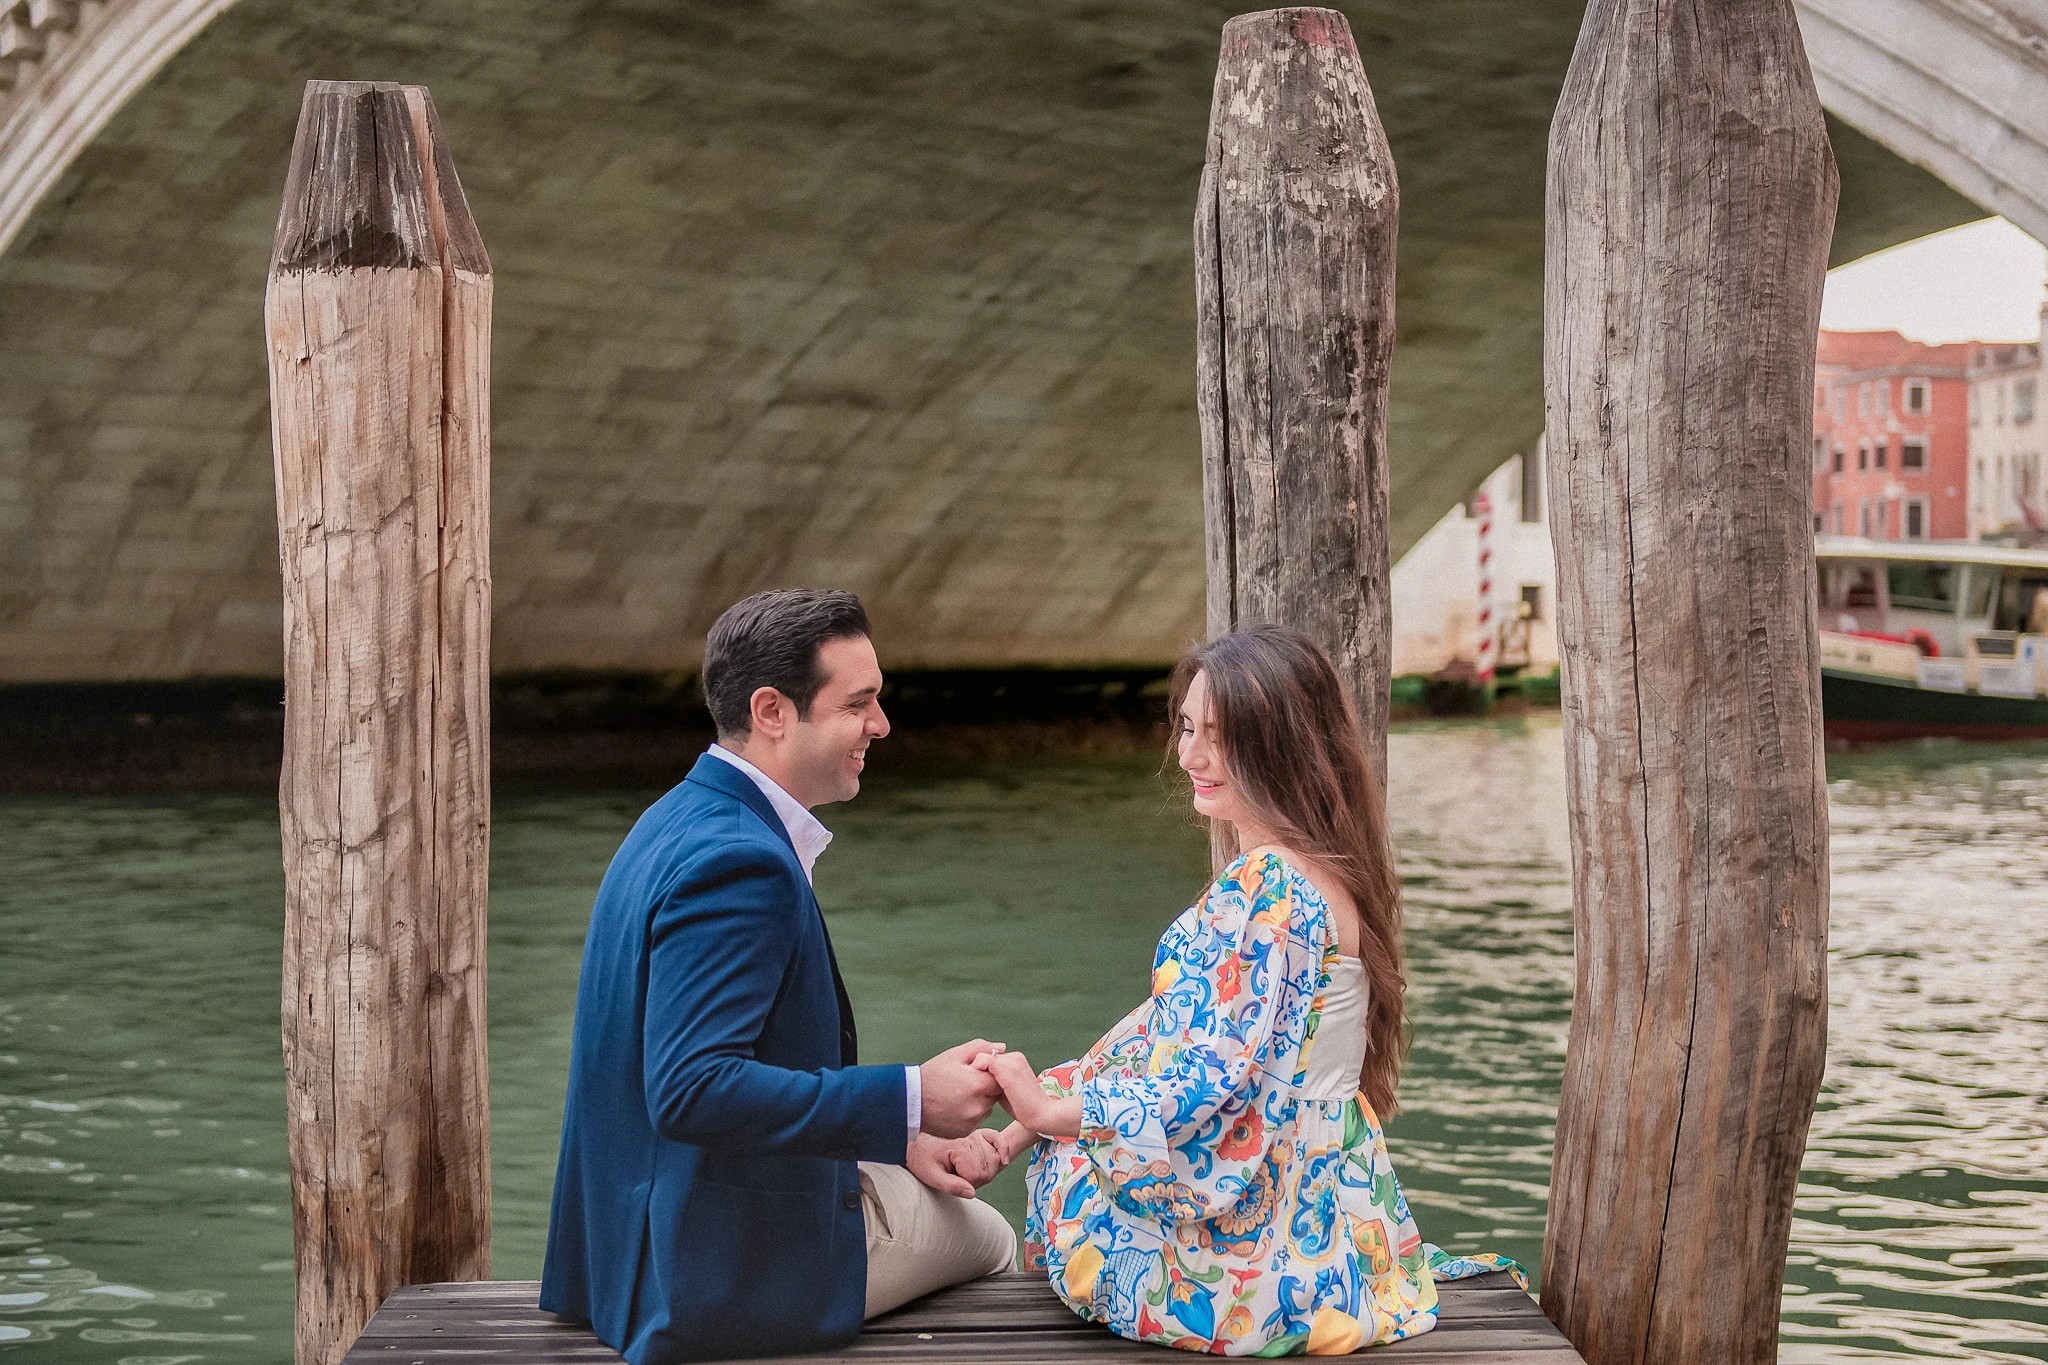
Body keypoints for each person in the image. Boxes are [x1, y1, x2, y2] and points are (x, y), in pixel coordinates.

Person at [977, 625, 1521, 1355]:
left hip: (1264, 1265)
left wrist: (1049, 1112)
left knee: (1074, 1180)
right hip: (1344, 1234)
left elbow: (1205, 1079)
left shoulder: (1268, 887)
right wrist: (1035, 1115)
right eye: (1188, 727)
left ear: (1282, 747)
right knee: (1073, 1138)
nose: (1190, 755)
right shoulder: (1328, 868)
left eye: (1219, 737)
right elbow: (1165, 1028)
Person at [540, 589, 1017, 1364]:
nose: (882, 725)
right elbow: (692, 1086)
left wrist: (896, 1138)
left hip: (621, 1247)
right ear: (771, 710)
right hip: (700, 1272)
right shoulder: (743, 863)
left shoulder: (677, 816)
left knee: (927, 1188)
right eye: (858, 703)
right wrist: (912, 1095)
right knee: (994, 1239)